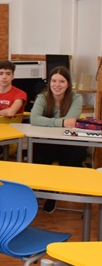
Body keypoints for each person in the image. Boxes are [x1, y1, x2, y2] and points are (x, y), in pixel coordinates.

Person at [30, 66, 86, 213]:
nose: (57, 85)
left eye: (61, 81)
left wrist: (49, 121)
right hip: (47, 142)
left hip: (68, 143)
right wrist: (60, 122)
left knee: (71, 158)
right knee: (38, 154)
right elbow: (34, 118)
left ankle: (55, 191)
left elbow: (71, 121)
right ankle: (47, 191)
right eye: (54, 81)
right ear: (49, 82)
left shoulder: (76, 98)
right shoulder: (43, 97)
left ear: (68, 84)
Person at [0, 60, 27, 159]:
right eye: (1, 73)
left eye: (8, 74)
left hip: (10, 139)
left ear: (13, 76)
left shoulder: (20, 94)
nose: (4, 77)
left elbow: (11, 112)